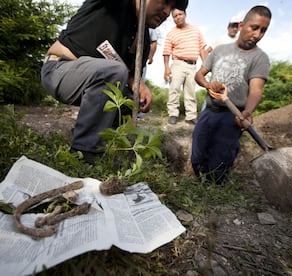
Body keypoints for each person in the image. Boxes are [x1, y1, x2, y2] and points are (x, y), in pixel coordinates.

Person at [41, 0, 189, 164]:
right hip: (59, 69)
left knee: (129, 100)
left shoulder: (142, 40)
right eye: (165, 1)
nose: (167, 12)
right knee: (115, 71)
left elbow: (130, 73)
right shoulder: (113, 4)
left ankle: (104, 143)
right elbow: (118, 70)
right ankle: (84, 151)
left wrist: (139, 85)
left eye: (172, 7)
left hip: (93, 79)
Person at [191, 5, 272, 184]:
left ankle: (215, 187)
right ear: (242, 25)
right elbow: (199, 74)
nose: (257, 34)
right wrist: (208, 85)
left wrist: (247, 112)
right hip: (209, 110)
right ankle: (201, 181)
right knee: (197, 154)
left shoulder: (260, 58)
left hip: (232, 115)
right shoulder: (220, 50)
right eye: (254, 27)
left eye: (263, 31)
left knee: (219, 163)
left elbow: (256, 90)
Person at [163, 8, 207, 125]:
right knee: (174, 89)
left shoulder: (195, 30)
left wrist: (205, 64)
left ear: (185, 14)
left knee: (191, 91)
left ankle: (191, 116)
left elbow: (201, 48)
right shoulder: (171, 33)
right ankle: (173, 114)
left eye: (180, 14)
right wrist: (166, 68)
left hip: (192, 65)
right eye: (175, 16)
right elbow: (166, 52)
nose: (178, 17)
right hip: (178, 64)